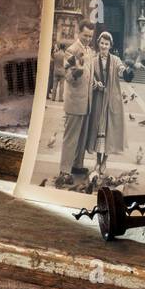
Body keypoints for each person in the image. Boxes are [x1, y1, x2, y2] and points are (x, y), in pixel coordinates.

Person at [84, 31, 127, 175]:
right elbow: (89, 77)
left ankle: (104, 161)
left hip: (111, 100)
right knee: (98, 129)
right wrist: (96, 84)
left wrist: (125, 72)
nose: (104, 46)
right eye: (102, 43)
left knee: (110, 131)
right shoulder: (93, 60)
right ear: (98, 43)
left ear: (110, 46)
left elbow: (120, 69)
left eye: (106, 44)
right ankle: (97, 160)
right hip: (98, 99)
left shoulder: (115, 60)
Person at [59, 24, 94, 179]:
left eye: (90, 36)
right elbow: (68, 76)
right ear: (78, 33)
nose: (88, 39)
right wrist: (75, 74)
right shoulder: (71, 50)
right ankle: (65, 171)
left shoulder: (89, 51)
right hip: (75, 101)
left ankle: (77, 165)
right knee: (71, 137)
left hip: (86, 101)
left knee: (81, 137)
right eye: (85, 35)